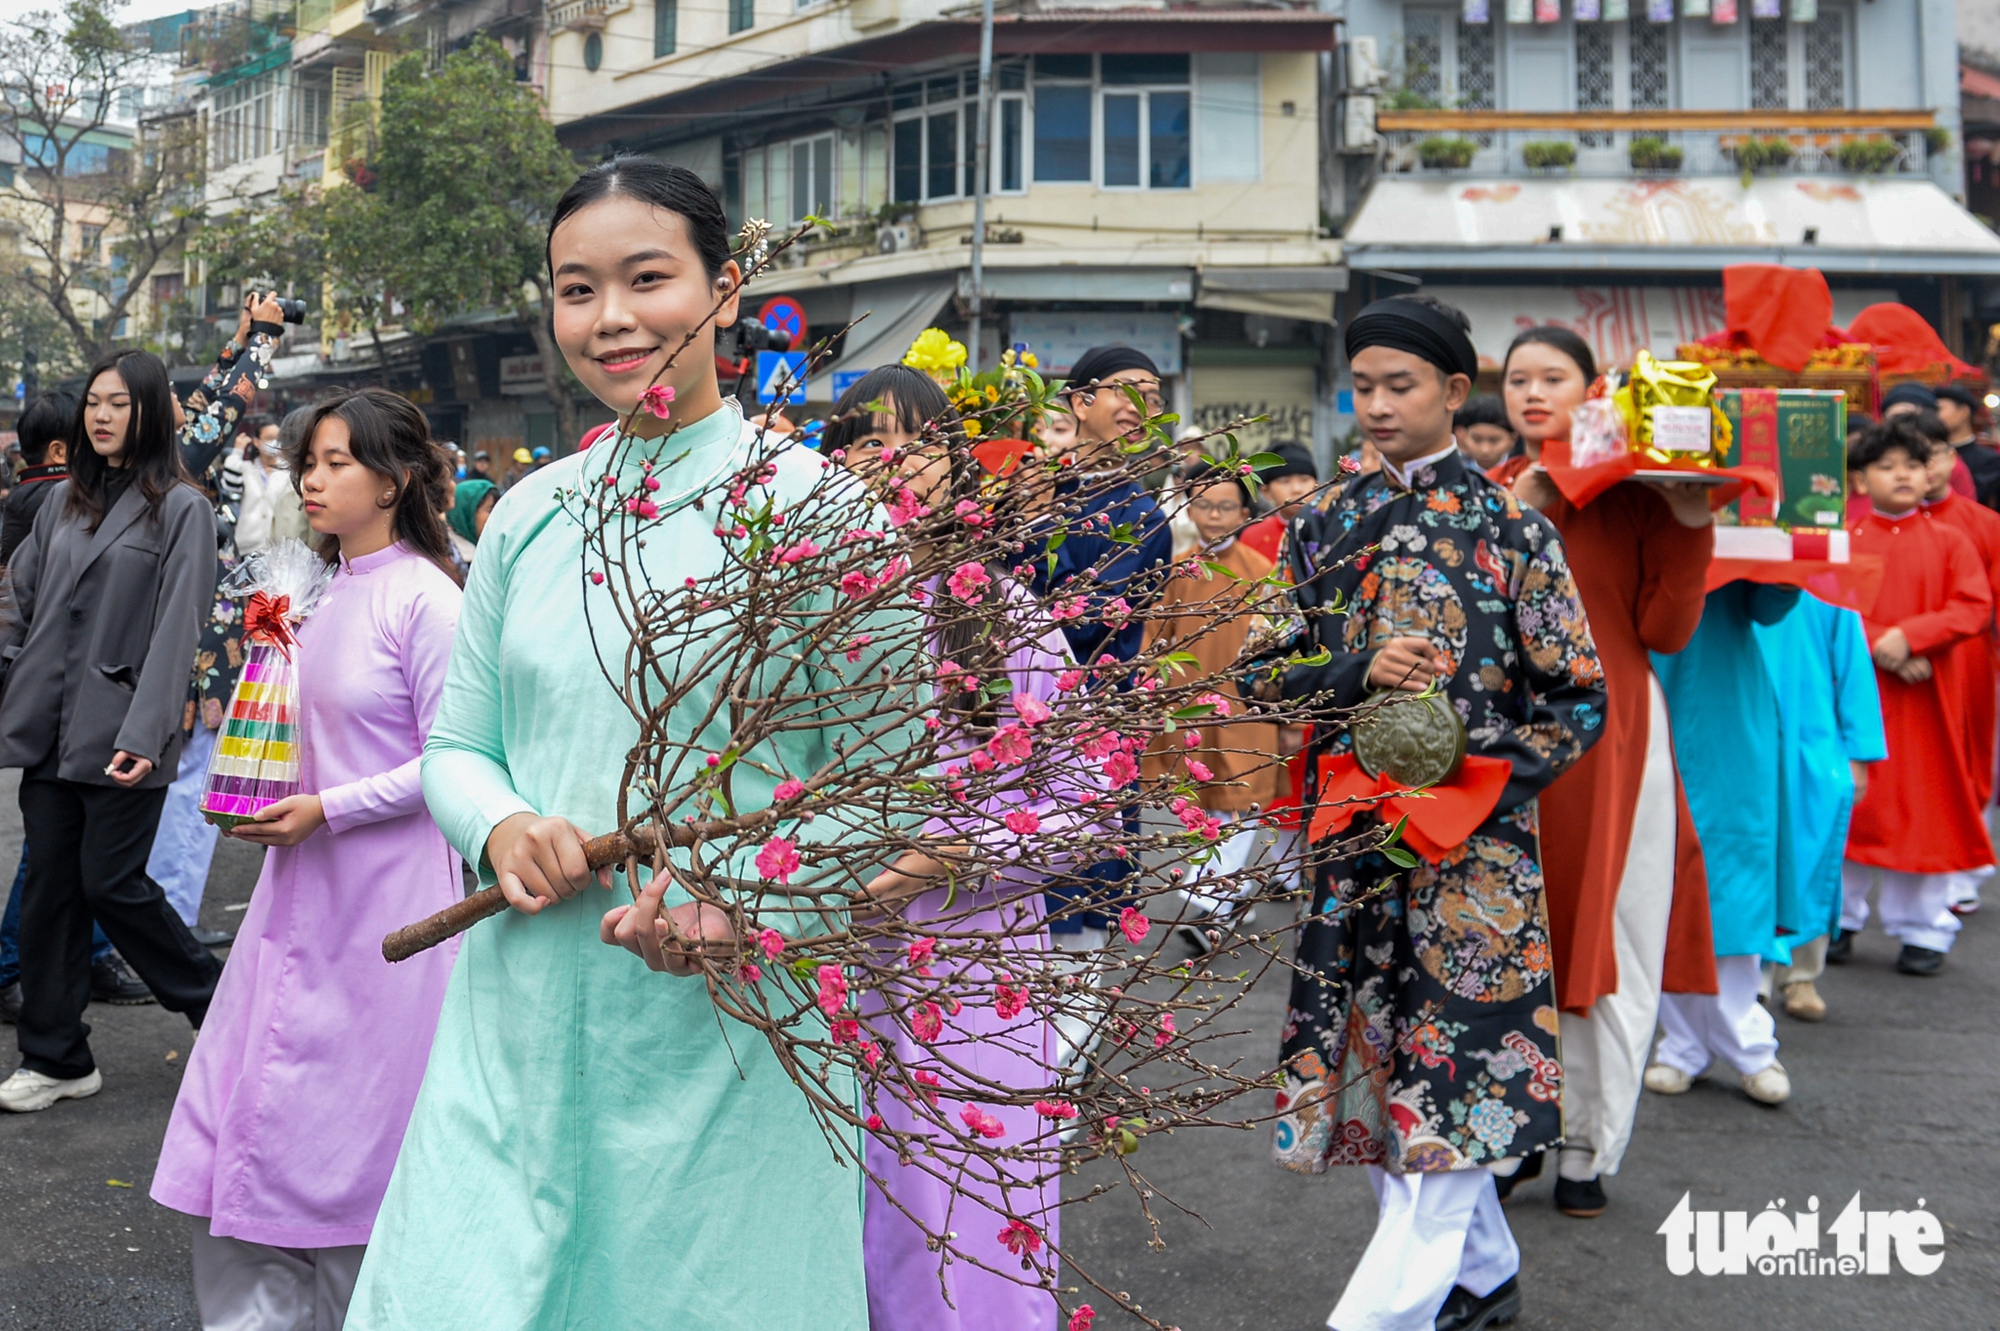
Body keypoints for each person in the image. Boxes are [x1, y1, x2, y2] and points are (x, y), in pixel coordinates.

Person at [344, 158, 918, 1330]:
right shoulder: (530, 515)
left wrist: (748, 900)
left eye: (647, 278)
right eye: (575, 289)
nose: (610, 319)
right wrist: (502, 821)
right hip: (520, 1014)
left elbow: (890, 789)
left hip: (730, 1026)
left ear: (726, 288)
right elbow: (459, 746)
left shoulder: (821, 514)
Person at [1272, 295, 1606, 1331]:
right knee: (1380, 1082)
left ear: (1454, 392)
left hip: (1476, 866)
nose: (1374, 405)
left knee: (1452, 1082)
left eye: (1398, 385)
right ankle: (1483, 1275)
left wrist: (1476, 789)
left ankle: (1379, 1316)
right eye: (1361, 385)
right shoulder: (1317, 524)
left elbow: (1578, 696)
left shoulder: (1515, 529)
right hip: (1355, 849)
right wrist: (1352, 667)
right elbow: (1264, 676)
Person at [151, 387, 463, 1330]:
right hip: (294, 892)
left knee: (353, 1126)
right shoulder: (311, 595)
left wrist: (331, 806)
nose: (314, 480)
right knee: (251, 1106)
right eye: (307, 462)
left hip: (386, 904)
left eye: (336, 462)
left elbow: (454, 761)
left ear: (397, 478)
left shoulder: (428, 599)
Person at [813, 361, 1078, 1331]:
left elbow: (1087, 798)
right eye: (865, 444)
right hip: (830, 964)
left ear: (956, 466)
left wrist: (946, 854)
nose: (894, 466)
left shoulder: (1007, 617)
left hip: (977, 970)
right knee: (851, 1208)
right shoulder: (799, 618)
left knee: (969, 1206)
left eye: (918, 442)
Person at [1497, 327, 1718, 1218]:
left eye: (1554, 376)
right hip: (1510, 733)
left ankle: (1589, 1144)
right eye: (1518, 378)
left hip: (1614, 736)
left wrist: (1693, 523)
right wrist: (1520, 506)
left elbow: (1665, 631)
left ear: (1596, 391)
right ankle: (1516, 1129)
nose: (1534, 391)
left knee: (1609, 937)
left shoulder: (1642, 499)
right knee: (1513, 934)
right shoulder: (1495, 492)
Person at [0, 349, 236, 1112]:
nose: (100, 416)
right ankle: (57, 1055)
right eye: (93, 403)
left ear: (150, 414)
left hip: (126, 731)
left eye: (119, 404)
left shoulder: (181, 509)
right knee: (48, 893)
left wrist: (149, 728)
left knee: (112, 884)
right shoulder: (64, 503)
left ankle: (220, 1009)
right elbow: (20, 599)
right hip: (50, 729)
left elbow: (177, 629)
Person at [1027, 345, 1173, 1046]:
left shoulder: (1146, 516)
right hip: (1012, 728)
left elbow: (1103, 620)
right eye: (1126, 390)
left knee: (1081, 926)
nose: (1142, 406)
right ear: (1079, 401)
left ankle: (1058, 1088)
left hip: (1091, 731)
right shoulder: (1026, 493)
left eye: (1153, 392)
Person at [1837, 418, 1994, 976]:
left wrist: (1913, 637)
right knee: (1851, 810)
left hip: (1929, 701)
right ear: (1859, 481)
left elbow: (1974, 606)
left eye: (1911, 464)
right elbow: (1829, 610)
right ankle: (1840, 919)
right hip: (1863, 695)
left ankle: (1924, 928)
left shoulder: (1952, 540)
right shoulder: (1846, 542)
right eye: (1886, 466)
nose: (1902, 475)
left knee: (1923, 811)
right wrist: (1886, 642)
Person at [1647, 578, 1802, 1107]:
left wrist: (1784, 566)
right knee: (1657, 872)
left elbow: (1769, 606)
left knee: (1738, 874)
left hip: (1729, 694)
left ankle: (1750, 1043)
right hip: (1646, 677)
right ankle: (1681, 1043)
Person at [1140, 458, 1288, 954]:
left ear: (1247, 510)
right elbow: (1154, 640)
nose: (1214, 515)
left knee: (1244, 805)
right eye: (1203, 504)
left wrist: (1283, 709)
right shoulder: (1178, 570)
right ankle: (1223, 900)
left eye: (1226, 505)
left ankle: (1207, 904)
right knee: (1202, 807)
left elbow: (1279, 647)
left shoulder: (1263, 573)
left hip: (1248, 706)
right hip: (1189, 706)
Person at [1753, 593, 1884, 1021]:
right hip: (1748, 730)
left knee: (1813, 854)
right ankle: (1749, 973)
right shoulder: (1731, 567)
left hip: (1814, 740)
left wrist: (1859, 755)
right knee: (1751, 854)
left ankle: (1801, 974)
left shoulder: (1830, 584)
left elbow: (1853, 667)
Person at [1913, 408, 2000, 916]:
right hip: (1892, 660)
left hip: (1966, 661)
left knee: (1967, 761)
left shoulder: (1984, 525)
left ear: (1951, 460)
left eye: (1932, 456)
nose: (1921, 471)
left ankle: (1964, 869)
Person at [233, 415, 309, 556]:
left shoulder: (289, 471)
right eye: (269, 438)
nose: (274, 442)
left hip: (279, 549)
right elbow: (229, 483)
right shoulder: (246, 469)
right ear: (257, 442)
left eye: (278, 438)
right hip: (248, 546)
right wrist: (237, 451)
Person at [1240, 442, 1318, 563]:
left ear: (1316, 484)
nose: (1296, 489)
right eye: (1284, 481)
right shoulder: (1252, 537)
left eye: (1304, 480)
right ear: (1266, 491)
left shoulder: (1332, 529)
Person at [1935, 383, 2000, 511]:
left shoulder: (1990, 460)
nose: (1935, 416)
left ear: (1963, 412)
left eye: (1940, 409)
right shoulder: (1931, 455)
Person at [1453, 394, 1519, 478]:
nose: (1485, 450)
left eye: (1494, 441)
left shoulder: (1521, 474)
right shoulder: (1454, 473)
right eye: (1476, 440)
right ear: (1462, 435)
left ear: (1513, 439)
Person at [445, 477, 497, 569]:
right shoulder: (452, 560)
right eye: (490, 510)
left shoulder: (494, 553)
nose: (497, 516)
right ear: (467, 514)